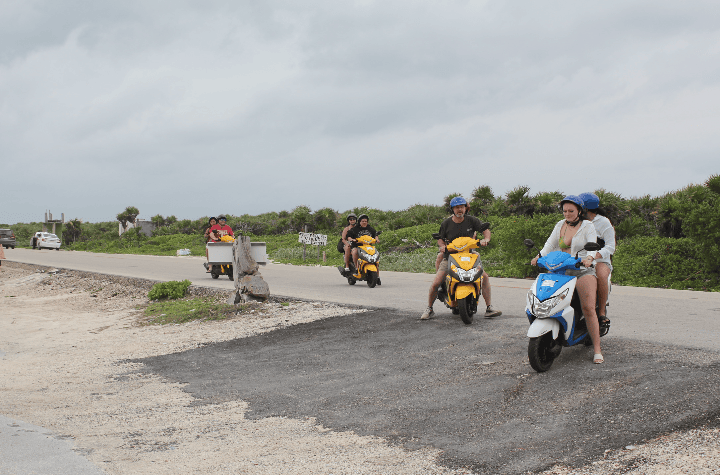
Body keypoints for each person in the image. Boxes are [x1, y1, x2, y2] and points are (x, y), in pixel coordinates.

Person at [530, 195, 604, 364]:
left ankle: (597, 349)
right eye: (565, 211)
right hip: (560, 270)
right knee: (547, 298)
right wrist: (539, 256)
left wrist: (589, 259)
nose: (567, 214)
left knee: (588, 307)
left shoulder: (588, 226)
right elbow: (549, 244)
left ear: (580, 211)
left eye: (571, 211)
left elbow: (592, 244)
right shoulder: (559, 225)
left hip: (582, 270)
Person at [420, 197, 502, 321]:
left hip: (469, 255)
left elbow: (485, 230)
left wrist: (486, 239)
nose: (460, 209)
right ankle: (429, 308)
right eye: (457, 207)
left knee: (484, 277)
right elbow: (440, 238)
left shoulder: (472, 220)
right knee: (436, 282)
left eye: (462, 207)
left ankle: (489, 307)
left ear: (465, 208)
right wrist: (442, 246)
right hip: (450, 257)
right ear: (452, 209)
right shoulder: (446, 223)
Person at [580, 192, 615, 332]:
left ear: (586, 209)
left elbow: (611, 247)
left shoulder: (603, 222)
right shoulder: (578, 222)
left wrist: (594, 256)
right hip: (580, 259)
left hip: (600, 260)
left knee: (600, 276)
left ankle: (601, 312)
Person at [345, 214, 380, 278]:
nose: (364, 222)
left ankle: (377, 275)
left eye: (365, 221)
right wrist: (352, 239)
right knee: (355, 251)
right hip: (357, 246)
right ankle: (356, 268)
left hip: (368, 246)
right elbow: (348, 236)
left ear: (367, 222)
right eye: (363, 221)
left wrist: (377, 239)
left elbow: (375, 235)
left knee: (376, 253)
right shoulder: (355, 229)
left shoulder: (370, 229)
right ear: (359, 222)